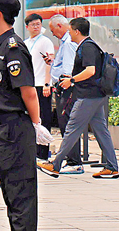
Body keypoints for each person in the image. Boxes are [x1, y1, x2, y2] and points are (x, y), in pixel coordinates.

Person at [0, 0, 52, 231]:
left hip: (15, 130)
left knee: (21, 195)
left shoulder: (13, 47)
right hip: (1, 131)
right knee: (10, 192)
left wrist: (36, 125)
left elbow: (28, 92)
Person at [37, 17, 119, 179]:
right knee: (101, 131)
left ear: (77, 31)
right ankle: (112, 166)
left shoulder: (87, 47)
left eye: (70, 30)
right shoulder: (88, 45)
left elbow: (90, 71)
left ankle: (55, 164)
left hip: (88, 96)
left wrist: (71, 80)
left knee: (72, 129)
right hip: (95, 95)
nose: (69, 33)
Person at [46, 14, 83, 174]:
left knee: (67, 124)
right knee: (68, 124)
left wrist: (64, 83)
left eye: (53, 30)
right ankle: (72, 160)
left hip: (66, 88)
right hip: (66, 87)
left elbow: (68, 68)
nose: (53, 34)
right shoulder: (66, 43)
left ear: (60, 26)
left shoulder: (68, 44)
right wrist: (54, 63)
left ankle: (74, 162)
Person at [24, 13, 55, 160]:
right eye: (33, 25)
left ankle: (43, 152)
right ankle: (33, 151)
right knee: (32, 119)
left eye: (38, 24)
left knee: (44, 117)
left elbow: (49, 63)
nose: (36, 27)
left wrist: (47, 83)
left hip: (42, 84)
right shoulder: (26, 43)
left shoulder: (45, 41)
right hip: (30, 84)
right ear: (27, 27)